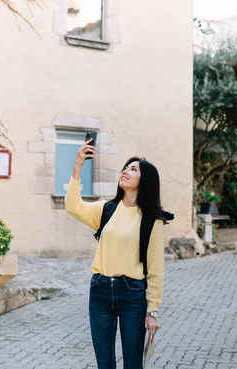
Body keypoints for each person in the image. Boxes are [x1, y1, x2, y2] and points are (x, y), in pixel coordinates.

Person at [65, 139, 170, 369]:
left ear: (146, 181)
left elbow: (156, 269)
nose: (126, 171)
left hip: (133, 295)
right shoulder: (106, 209)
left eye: (134, 169)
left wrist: (153, 310)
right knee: (105, 364)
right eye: (126, 167)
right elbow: (74, 207)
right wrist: (77, 167)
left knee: (132, 364)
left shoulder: (152, 221)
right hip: (100, 291)